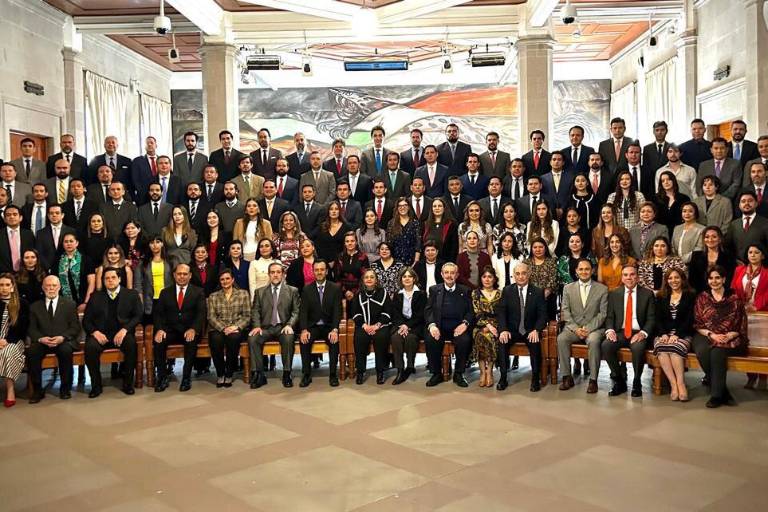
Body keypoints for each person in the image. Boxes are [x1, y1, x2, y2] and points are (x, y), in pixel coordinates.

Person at [693, 265, 748, 408]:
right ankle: (724, 391)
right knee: (702, 351)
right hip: (705, 333)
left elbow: (741, 323)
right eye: (711, 278)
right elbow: (698, 324)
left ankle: (716, 396)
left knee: (717, 351)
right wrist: (712, 334)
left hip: (731, 336)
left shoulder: (734, 298)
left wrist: (731, 334)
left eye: (717, 278)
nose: (714, 281)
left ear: (724, 279)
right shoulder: (702, 298)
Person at [82, 267, 143, 398]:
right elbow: (86, 321)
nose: (110, 280)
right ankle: (96, 386)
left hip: (122, 333)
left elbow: (138, 316)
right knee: (90, 347)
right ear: (103, 281)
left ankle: (128, 384)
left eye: (113, 277)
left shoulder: (131, 294)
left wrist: (125, 329)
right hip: (101, 334)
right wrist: (95, 332)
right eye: (107, 278)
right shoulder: (95, 297)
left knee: (131, 344)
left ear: (119, 279)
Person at [602, 264, 656, 398]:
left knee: (638, 348)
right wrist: (610, 330)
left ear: (637, 277)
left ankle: (637, 381)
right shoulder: (614, 294)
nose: (629, 278)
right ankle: (619, 380)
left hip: (638, 332)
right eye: (625, 275)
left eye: (632, 274)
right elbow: (610, 316)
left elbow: (651, 318)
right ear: (622, 278)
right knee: (606, 345)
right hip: (621, 332)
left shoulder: (647, 294)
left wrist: (643, 333)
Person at [26, 276, 81, 403]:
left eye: (54, 285)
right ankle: (37, 390)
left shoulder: (70, 304)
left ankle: (65, 388)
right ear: (43, 288)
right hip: (43, 341)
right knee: (32, 352)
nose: (51, 288)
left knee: (65, 351)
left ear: (59, 287)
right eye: (48, 285)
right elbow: (31, 328)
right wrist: (40, 338)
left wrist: (62, 337)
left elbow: (75, 327)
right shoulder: (34, 307)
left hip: (63, 340)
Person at [152, 263, 207, 392]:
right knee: (158, 342)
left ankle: (186, 378)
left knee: (191, 342)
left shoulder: (198, 292)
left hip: (189, 330)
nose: (182, 276)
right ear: (174, 275)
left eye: (185, 274)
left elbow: (201, 314)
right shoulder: (165, 292)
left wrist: (194, 329)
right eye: (179, 274)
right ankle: (162, 377)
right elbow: (158, 314)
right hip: (170, 330)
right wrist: (159, 329)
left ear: (190, 275)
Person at [558, 259, 608, 393]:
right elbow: (565, 311)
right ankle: (566, 377)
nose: (584, 272)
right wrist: (576, 329)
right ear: (576, 271)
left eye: (587, 269)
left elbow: (602, 314)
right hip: (573, 328)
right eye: (581, 269)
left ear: (592, 271)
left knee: (593, 341)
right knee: (561, 339)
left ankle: (593, 380)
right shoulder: (568, 288)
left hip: (594, 328)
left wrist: (588, 328)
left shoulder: (602, 289)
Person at [497, 262, 547, 392]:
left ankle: (535, 378)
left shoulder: (538, 292)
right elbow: (501, 312)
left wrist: (537, 330)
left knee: (535, 342)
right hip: (512, 331)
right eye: (518, 274)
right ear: (514, 275)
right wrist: (503, 330)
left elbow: (543, 315)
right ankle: (503, 377)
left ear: (529, 274)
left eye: (524, 273)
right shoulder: (507, 291)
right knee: (502, 341)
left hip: (530, 330)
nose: (521, 277)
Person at [249, 262, 300, 388]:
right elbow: (255, 311)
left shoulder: (292, 291)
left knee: (288, 338)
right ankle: (259, 374)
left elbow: (296, 311)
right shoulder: (260, 292)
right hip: (265, 328)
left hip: (283, 327)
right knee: (253, 338)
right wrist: (257, 326)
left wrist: (290, 325)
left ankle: (287, 373)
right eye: (272, 272)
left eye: (278, 272)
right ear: (269, 275)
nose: (275, 275)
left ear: (283, 274)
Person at [424, 262, 474, 387]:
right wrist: (432, 325)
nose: (449, 275)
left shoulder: (465, 290)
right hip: (439, 327)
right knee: (430, 339)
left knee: (465, 340)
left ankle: (459, 373)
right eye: (446, 272)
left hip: (458, 327)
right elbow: (428, 310)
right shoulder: (434, 290)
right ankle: (436, 373)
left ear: (457, 275)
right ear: (442, 274)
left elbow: (470, 311)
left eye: (452, 273)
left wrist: (465, 324)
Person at [654, 268, 696, 402]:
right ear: (666, 281)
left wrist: (677, 334)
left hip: (683, 333)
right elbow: (657, 319)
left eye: (677, 277)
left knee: (674, 349)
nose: (674, 281)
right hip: (664, 333)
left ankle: (681, 383)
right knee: (661, 348)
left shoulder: (691, 295)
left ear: (682, 279)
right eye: (670, 278)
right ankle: (673, 385)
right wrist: (663, 334)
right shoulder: (661, 296)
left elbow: (691, 319)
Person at [298, 260, 342, 387]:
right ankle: (306, 374)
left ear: (326, 271)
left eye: (322, 269)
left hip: (329, 326)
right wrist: (304, 330)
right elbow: (303, 312)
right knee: (304, 341)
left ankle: (333, 375)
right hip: (313, 326)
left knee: (334, 341)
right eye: (316, 270)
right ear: (313, 272)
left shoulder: (335, 288)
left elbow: (337, 311)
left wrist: (335, 329)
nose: (319, 272)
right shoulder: (307, 289)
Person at [207, 269, 250, 388]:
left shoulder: (243, 294)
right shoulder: (213, 296)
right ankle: (220, 374)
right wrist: (224, 328)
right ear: (219, 281)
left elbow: (247, 316)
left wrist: (236, 327)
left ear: (232, 280)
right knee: (215, 340)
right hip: (218, 328)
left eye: (227, 278)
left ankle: (229, 373)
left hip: (236, 328)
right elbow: (211, 317)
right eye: (222, 279)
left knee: (233, 338)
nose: (225, 281)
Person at [351, 269, 392, 385]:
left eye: (372, 277)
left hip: (380, 325)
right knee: (359, 338)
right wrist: (365, 326)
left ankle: (380, 371)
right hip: (364, 326)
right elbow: (355, 313)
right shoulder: (359, 294)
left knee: (381, 337)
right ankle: (360, 371)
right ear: (363, 280)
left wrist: (377, 325)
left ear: (376, 280)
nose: (369, 279)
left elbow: (388, 312)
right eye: (366, 277)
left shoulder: (383, 293)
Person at [390, 267, 426, 385]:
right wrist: (402, 325)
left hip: (416, 325)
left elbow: (421, 315)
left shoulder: (421, 294)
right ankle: (400, 370)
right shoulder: (397, 294)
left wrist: (408, 326)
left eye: (409, 276)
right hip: (400, 325)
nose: (407, 279)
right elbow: (395, 314)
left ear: (414, 278)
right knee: (395, 337)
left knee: (411, 338)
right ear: (401, 279)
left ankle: (410, 366)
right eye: (404, 276)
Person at [0, 274, 29, 408]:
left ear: (12, 287)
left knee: (7, 353)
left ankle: (10, 390)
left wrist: (6, 340)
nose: (4, 288)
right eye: (1, 285)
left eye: (7, 285)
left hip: (14, 341)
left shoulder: (21, 304)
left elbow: (22, 329)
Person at [471, 266, 502, 388]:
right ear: (481, 278)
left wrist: (493, 326)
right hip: (480, 324)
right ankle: (482, 372)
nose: (487, 279)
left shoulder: (500, 293)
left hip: (496, 325)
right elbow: (477, 312)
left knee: (490, 336)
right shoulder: (475, 293)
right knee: (481, 335)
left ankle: (489, 372)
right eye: (484, 277)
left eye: (490, 277)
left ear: (494, 279)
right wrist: (487, 325)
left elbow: (502, 313)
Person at [54, 233, 95, 313]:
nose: (68, 244)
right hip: (63, 303)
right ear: (63, 244)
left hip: (83, 301)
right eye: (66, 242)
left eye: (71, 241)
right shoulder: (57, 261)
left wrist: (86, 302)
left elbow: (91, 282)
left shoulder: (86, 259)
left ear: (77, 243)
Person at [134, 236, 171, 324]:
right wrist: (141, 302)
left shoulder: (170, 261)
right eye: (152, 243)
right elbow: (138, 284)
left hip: (167, 299)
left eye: (157, 242)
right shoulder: (142, 263)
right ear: (149, 245)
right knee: (150, 327)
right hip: (149, 300)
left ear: (162, 244)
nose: (155, 245)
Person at [688, 226, 736, 293]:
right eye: (707, 237)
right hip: (700, 293)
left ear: (720, 239)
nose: (710, 240)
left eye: (714, 237)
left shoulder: (728, 256)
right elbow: (692, 279)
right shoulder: (696, 255)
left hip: (723, 292)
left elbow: (730, 278)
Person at [524, 238, 559, 320]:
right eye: (535, 247)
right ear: (531, 249)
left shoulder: (551, 262)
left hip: (548, 298)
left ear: (545, 248)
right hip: (530, 298)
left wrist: (541, 297)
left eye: (540, 247)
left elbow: (552, 281)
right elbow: (524, 280)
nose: (538, 250)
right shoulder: (526, 263)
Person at [334, 232, 369, 308]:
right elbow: (337, 278)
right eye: (347, 241)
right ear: (344, 243)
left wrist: (354, 292)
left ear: (356, 242)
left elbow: (365, 277)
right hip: (342, 293)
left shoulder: (363, 257)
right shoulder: (339, 257)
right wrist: (345, 292)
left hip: (359, 292)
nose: (350, 243)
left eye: (352, 241)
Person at [731, 244, 768, 313]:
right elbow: (733, 289)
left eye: (756, 252)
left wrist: (755, 307)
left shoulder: (766, 272)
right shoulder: (739, 270)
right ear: (747, 255)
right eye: (750, 252)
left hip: (761, 311)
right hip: (741, 310)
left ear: (763, 256)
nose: (753, 255)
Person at [655, 171, 691, 237]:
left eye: (668, 179)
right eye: (663, 181)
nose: (666, 182)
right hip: (660, 233)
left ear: (673, 181)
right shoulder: (655, 198)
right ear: (661, 184)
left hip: (679, 232)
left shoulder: (684, 198)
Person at [422, 197, 459, 262]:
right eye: (434, 206)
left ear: (444, 208)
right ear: (431, 209)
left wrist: (450, 263)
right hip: (427, 262)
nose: (437, 208)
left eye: (439, 206)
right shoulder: (425, 225)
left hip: (446, 262)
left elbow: (454, 248)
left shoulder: (452, 225)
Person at [314, 200, 350, 266]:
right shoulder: (322, 226)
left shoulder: (346, 227)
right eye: (331, 209)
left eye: (336, 209)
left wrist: (336, 261)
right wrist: (325, 262)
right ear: (328, 211)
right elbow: (318, 246)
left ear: (339, 211)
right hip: (323, 262)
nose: (334, 211)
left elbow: (347, 246)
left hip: (341, 262)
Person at [387, 197, 421, 265]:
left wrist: (416, 261)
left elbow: (418, 243)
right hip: (395, 260)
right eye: (400, 206)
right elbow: (389, 243)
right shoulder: (391, 223)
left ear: (409, 207)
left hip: (411, 260)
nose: (402, 207)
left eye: (405, 205)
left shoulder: (415, 223)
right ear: (397, 208)